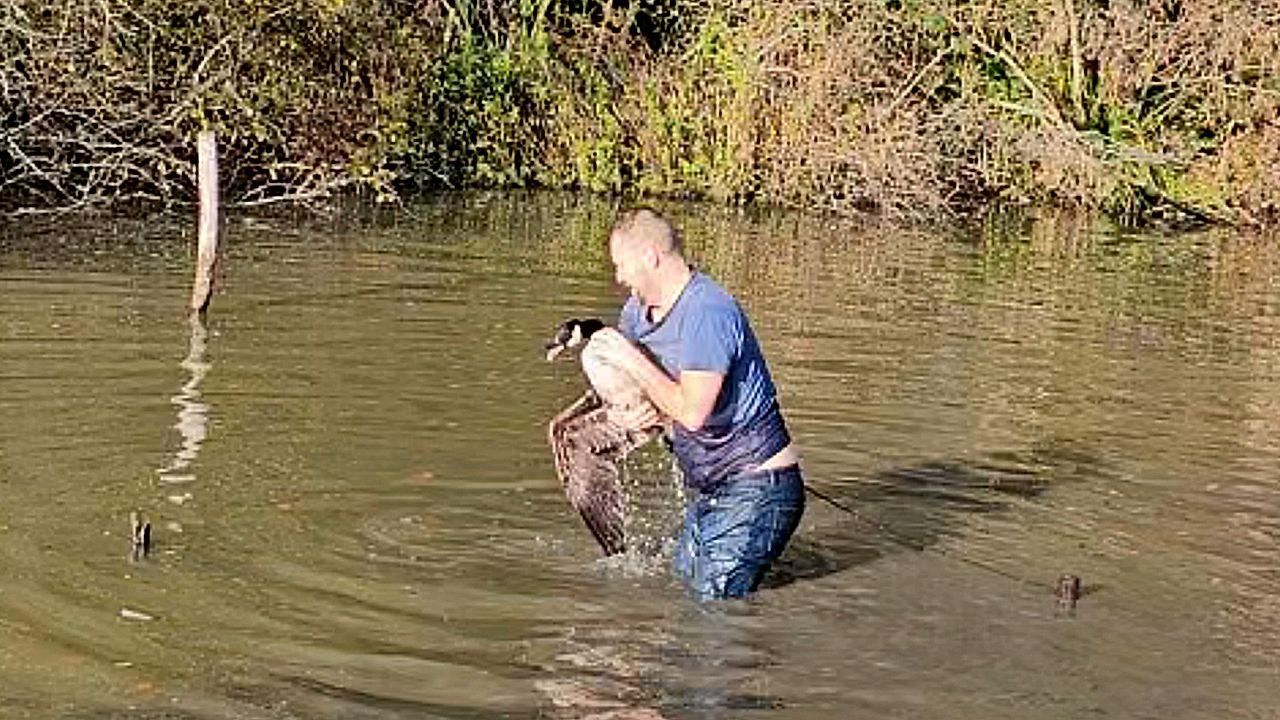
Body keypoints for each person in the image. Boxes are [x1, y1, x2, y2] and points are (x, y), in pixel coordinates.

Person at [589, 208, 805, 600]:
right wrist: (632, 414)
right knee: (684, 589)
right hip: (715, 489)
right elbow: (650, 397)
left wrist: (628, 357)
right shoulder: (635, 315)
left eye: (620, 265)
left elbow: (691, 413)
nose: (618, 277)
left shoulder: (708, 310)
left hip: (760, 486)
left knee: (711, 614)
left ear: (650, 256)